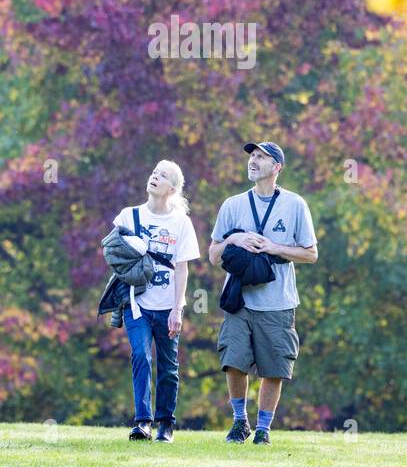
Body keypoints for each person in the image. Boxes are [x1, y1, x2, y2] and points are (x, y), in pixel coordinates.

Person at [208, 141, 317, 446]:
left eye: (261, 157)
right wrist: (236, 239)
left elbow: (311, 254)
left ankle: (263, 429)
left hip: (278, 301)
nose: (253, 161)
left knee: (274, 368)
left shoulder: (295, 205)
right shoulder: (232, 205)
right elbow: (213, 256)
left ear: (277, 167)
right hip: (238, 299)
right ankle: (240, 422)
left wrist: (274, 248)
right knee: (234, 361)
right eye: (251, 156)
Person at [112, 160, 200, 442]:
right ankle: (142, 422)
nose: (154, 177)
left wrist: (178, 308)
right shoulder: (129, 216)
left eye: (162, 175)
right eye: (153, 172)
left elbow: (183, 268)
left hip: (167, 306)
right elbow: (111, 250)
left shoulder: (181, 223)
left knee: (168, 366)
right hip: (136, 302)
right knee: (140, 355)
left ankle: (166, 423)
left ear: (172, 188)